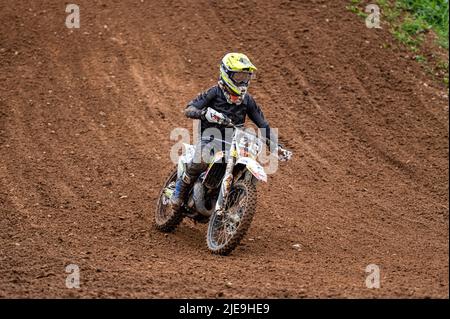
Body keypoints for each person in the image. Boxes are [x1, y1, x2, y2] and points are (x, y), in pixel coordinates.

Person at [170, 52, 287, 212]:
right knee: (201, 160)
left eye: (246, 77)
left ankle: (227, 198)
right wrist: (205, 113)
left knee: (243, 165)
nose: (243, 82)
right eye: (239, 77)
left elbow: (263, 124)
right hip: (210, 138)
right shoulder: (214, 92)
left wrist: (275, 146)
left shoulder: (248, 100)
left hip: (233, 143)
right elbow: (189, 109)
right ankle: (178, 192)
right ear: (226, 74)